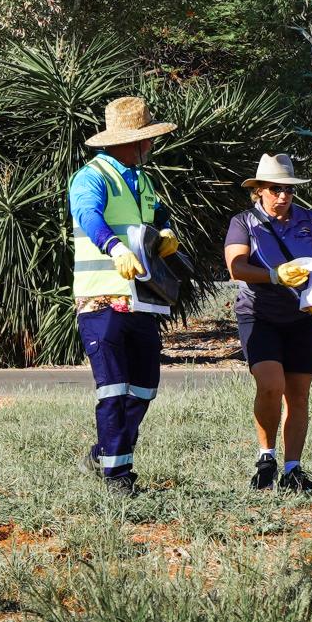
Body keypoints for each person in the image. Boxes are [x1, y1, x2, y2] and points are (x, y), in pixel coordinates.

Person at [69, 96, 181, 497]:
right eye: (147, 139)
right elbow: (87, 214)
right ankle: (118, 476)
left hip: (141, 299)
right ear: (132, 142)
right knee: (113, 388)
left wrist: (167, 234)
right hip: (101, 299)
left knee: (145, 387)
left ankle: (103, 453)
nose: (151, 145)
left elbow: (158, 216)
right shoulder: (91, 176)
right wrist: (114, 247)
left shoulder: (143, 180)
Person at [223, 153, 312, 493]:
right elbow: (236, 267)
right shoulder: (244, 223)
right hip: (259, 314)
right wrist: (274, 275)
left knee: (298, 394)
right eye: (275, 189)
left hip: (303, 317)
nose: (283, 197)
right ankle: (266, 457)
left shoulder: (308, 220)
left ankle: (293, 469)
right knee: (270, 384)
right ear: (259, 191)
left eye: (288, 190)